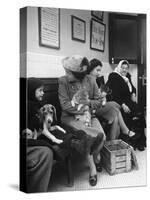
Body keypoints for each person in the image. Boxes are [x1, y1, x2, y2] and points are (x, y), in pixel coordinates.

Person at [58, 55, 105, 186]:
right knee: (89, 138)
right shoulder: (63, 81)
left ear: (78, 74)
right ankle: (93, 169)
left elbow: (100, 101)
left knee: (103, 137)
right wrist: (82, 110)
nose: (66, 75)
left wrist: (87, 107)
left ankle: (96, 156)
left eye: (68, 72)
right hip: (69, 118)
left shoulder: (91, 80)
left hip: (89, 115)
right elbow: (65, 105)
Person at [88, 58, 136, 140]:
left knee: (115, 115)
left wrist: (102, 95)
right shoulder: (86, 81)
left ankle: (112, 142)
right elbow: (88, 99)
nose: (99, 74)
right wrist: (100, 97)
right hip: (91, 108)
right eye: (97, 70)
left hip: (99, 104)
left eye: (100, 71)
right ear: (91, 69)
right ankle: (125, 130)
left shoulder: (95, 80)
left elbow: (102, 91)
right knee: (115, 105)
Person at [106, 60, 146, 150]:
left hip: (128, 100)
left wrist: (134, 93)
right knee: (132, 113)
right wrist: (123, 104)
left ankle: (140, 141)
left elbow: (133, 87)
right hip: (120, 101)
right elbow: (115, 94)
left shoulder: (127, 76)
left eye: (126, 68)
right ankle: (129, 139)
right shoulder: (114, 76)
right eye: (122, 68)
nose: (124, 70)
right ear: (119, 67)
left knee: (140, 113)